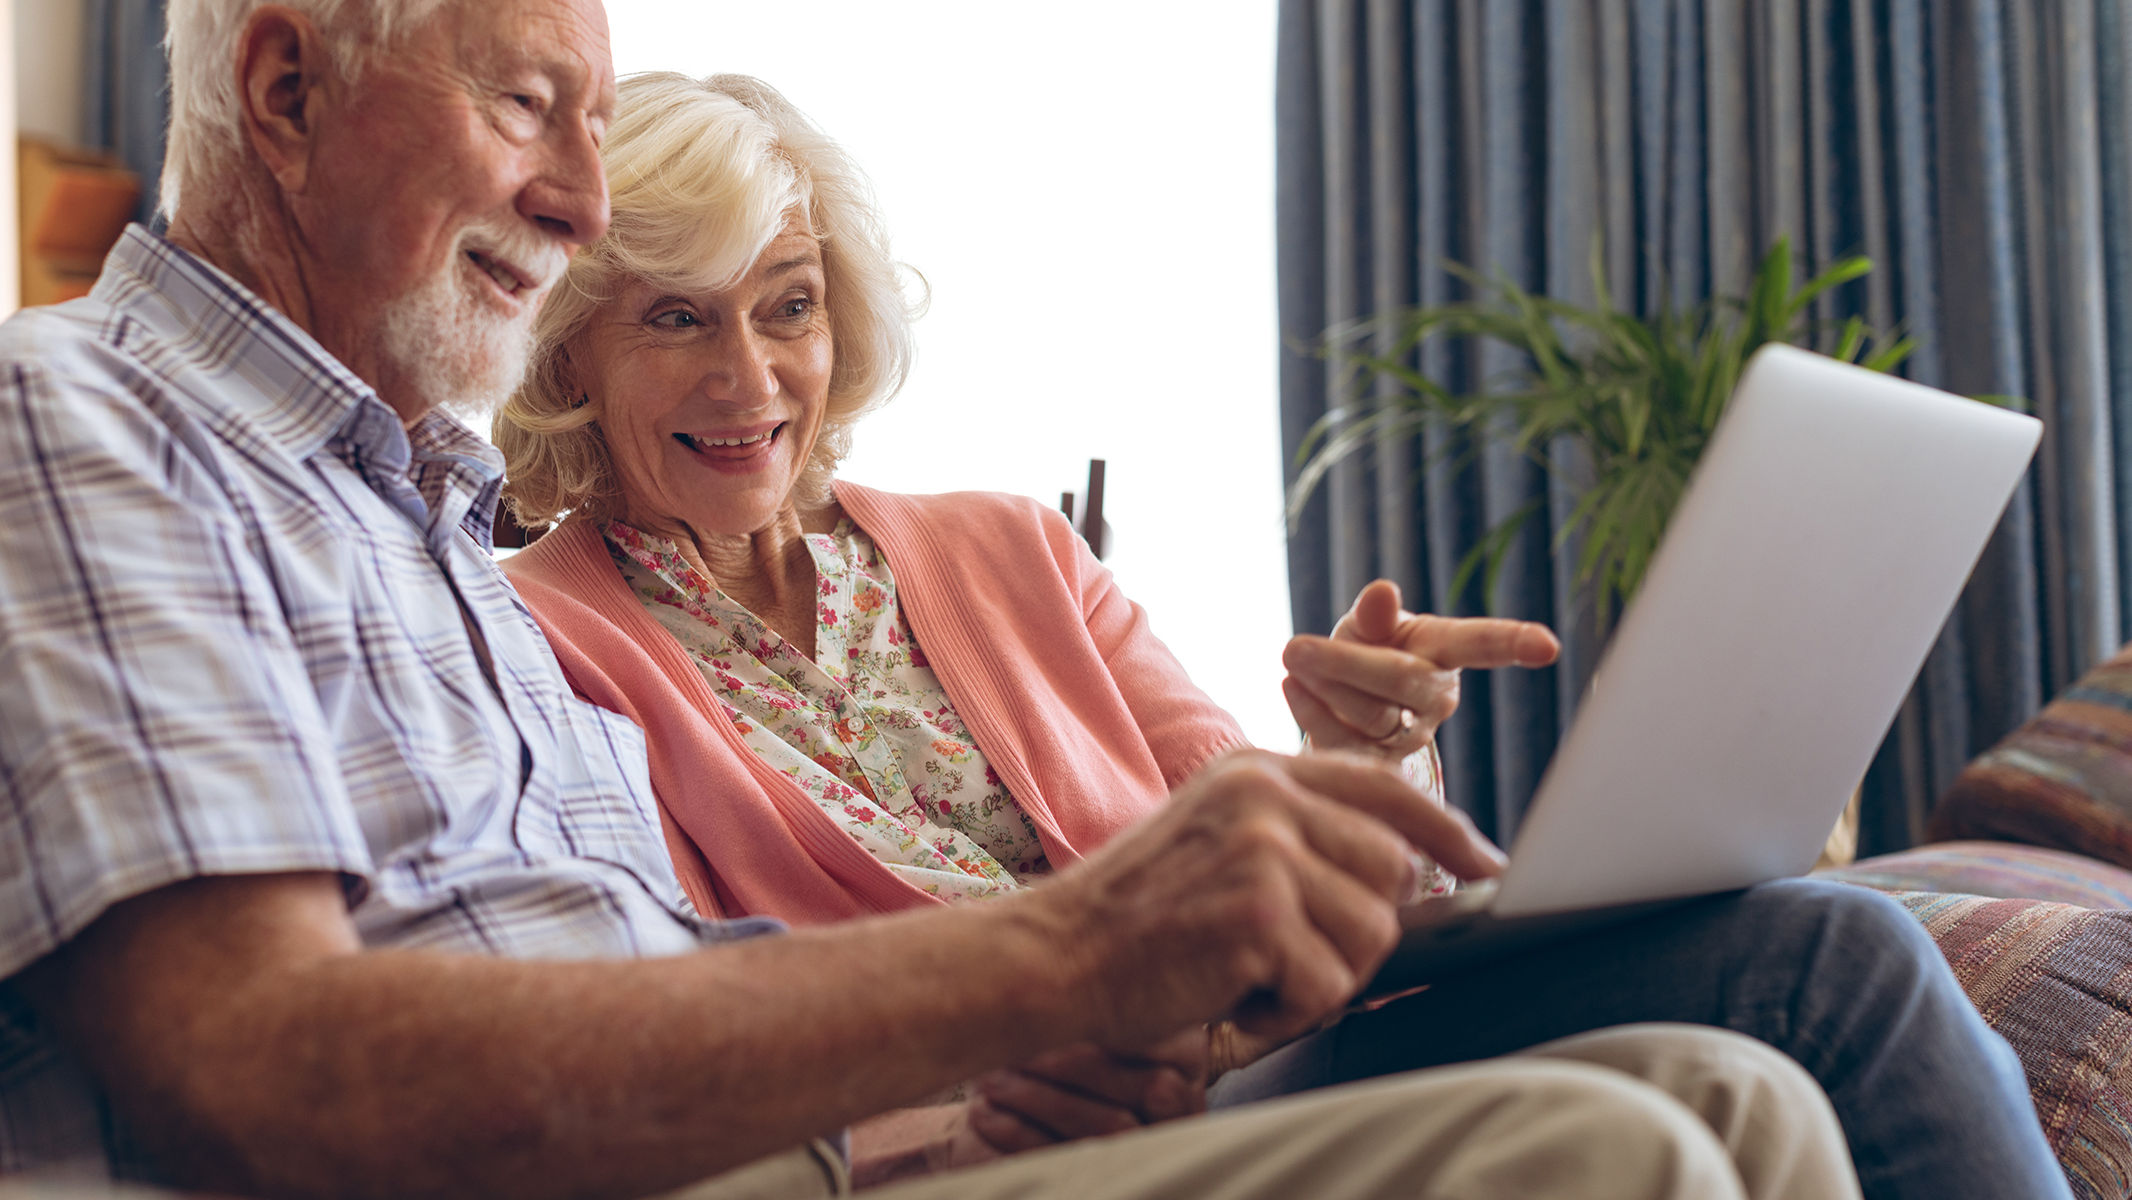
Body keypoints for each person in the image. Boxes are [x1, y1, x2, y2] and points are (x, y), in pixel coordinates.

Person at [0, 2, 1874, 1199]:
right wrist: (1051, 969)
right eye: (528, 107)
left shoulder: (415, 523)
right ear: (286, 84)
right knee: (1613, 1143)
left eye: (785, 304)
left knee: (1744, 1088)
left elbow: (654, 978)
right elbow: (258, 1074)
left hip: (901, 1136)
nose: (574, 191)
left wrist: (977, 1094)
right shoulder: (82, 415)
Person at [491, 70, 2074, 1200]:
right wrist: (960, 1137)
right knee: (1790, 1003)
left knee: (1827, 951)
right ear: (572, 350)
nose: (748, 378)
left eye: (784, 306)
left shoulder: (1007, 548)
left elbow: (1238, 851)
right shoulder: (529, 640)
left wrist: (1353, 759)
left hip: (1251, 1049)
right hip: (1015, 1139)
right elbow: (681, 1043)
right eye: (675, 318)